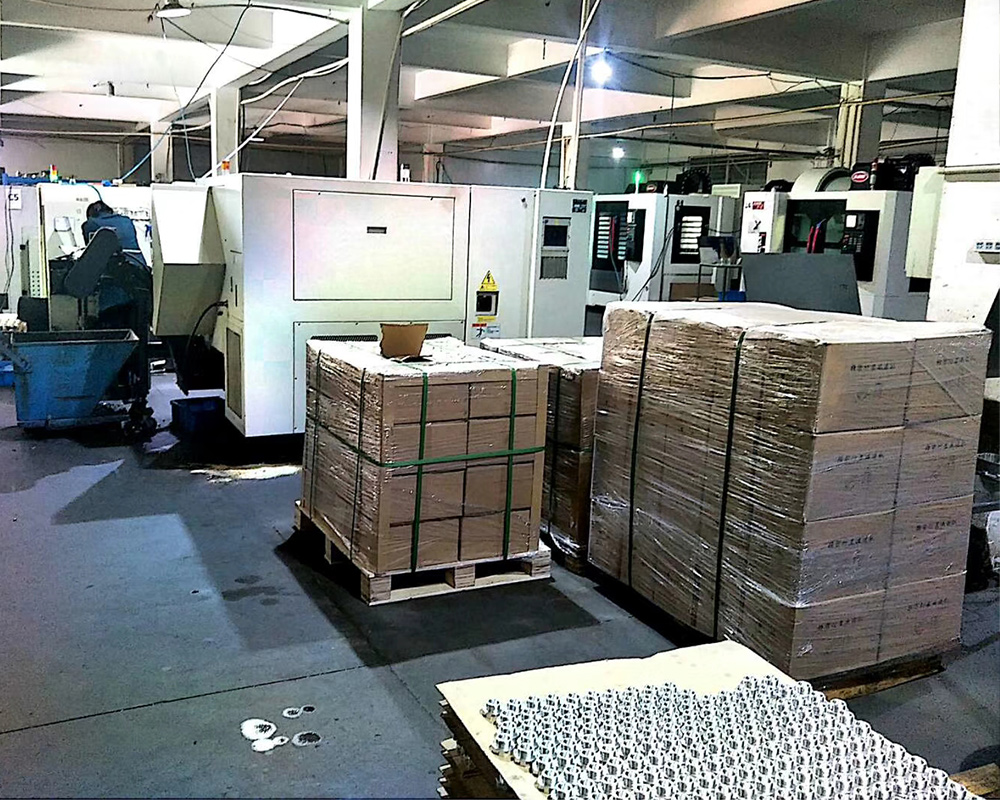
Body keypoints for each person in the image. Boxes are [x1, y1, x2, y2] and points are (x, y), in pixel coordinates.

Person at [81, 201, 149, 327]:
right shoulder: (126, 221)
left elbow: (91, 254)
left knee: (113, 322)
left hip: (114, 285)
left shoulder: (91, 224)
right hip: (140, 279)